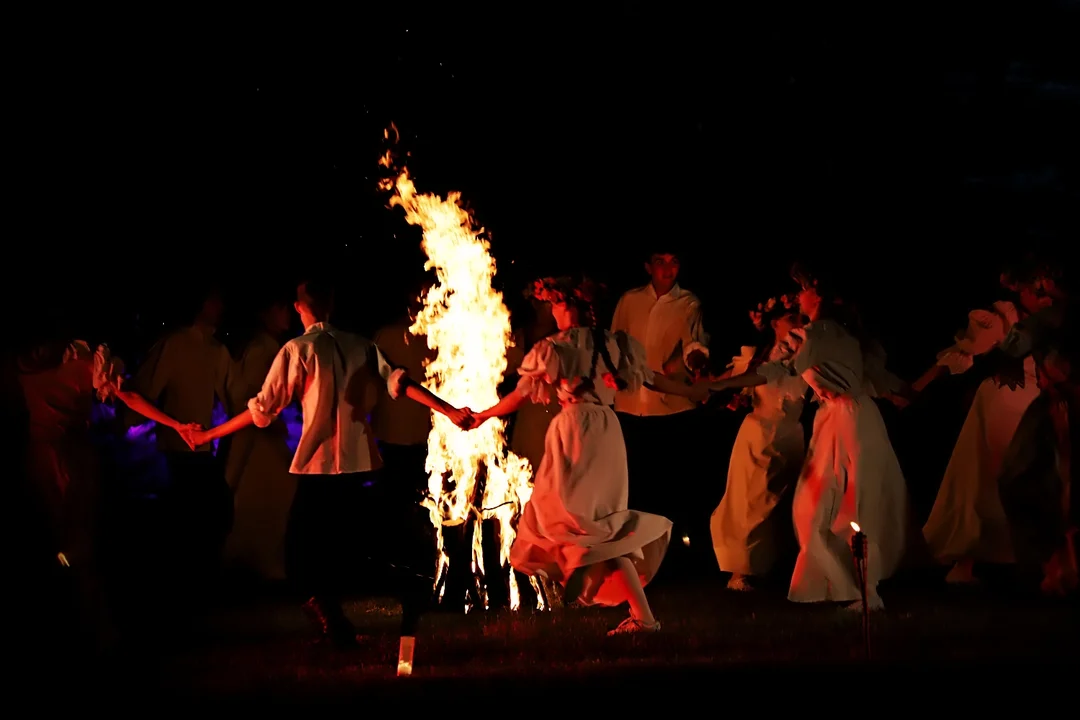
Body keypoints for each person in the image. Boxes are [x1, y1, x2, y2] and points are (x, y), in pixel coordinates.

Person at [185, 279, 472, 647]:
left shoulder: (297, 349)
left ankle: (340, 622)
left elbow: (262, 409)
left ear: (298, 307)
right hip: (360, 464)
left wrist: (208, 436)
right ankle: (360, 612)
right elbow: (399, 382)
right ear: (331, 303)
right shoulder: (360, 344)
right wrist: (448, 411)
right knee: (349, 548)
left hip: (319, 467)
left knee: (299, 556)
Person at [466, 275, 709, 635]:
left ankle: (599, 593)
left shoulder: (555, 346)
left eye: (554, 304)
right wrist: (696, 390)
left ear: (565, 305)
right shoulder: (615, 343)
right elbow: (654, 380)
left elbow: (520, 395)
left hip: (575, 430)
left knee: (570, 520)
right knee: (595, 526)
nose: (552, 310)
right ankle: (619, 604)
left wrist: (483, 416)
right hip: (608, 431)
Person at [706, 263, 909, 610]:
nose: (798, 295)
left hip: (847, 422)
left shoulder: (816, 335)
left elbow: (777, 369)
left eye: (804, 288)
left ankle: (863, 590)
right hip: (847, 419)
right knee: (827, 506)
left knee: (843, 505)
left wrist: (720, 385)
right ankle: (850, 586)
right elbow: (882, 380)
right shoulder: (843, 334)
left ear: (820, 295)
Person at [15, 333, 199, 654]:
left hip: (53, 459)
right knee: (71, 541)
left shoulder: (33, 364)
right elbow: (128, 396)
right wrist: (175, 425)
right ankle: (90, 629)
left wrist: (175, 425)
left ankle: (84, 629)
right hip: (60, 460)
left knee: (66, 540)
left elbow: (125, 395)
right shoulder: (82, 364)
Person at [915, 263, 1053, 584]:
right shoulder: (1004, 315)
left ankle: (1034, 559)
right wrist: (920, 386)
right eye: (1038, 290)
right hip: (1004, 401)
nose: (1044, 298)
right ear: (1022, 287)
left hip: (1036, 404)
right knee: (986, 479)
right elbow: (965, 351)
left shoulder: (1053, 318)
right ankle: (967, 561)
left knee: (1036, 478)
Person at [610, 247, 711, 565]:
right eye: (660, 262)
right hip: (630, 404)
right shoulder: (630, 300)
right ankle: (637, 556)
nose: (668, 269)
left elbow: (695, 344)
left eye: (674, 262)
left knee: (674, 484)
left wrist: (693, 362)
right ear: (648, 266)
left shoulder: (688, 302)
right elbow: (615, 341)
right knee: (636, 484)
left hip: (670, 406)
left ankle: (679, 557)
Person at [710, 294, 807, 591]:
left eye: (800, 318)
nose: (798, 324)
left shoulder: (805, 353)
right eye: (791, 319)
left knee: (785, 500)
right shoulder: (763, 357)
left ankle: (782, 564)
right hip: (759, 434)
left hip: (789, 433)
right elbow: (737, 379)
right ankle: (744, 568)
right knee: (751, 501)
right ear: (775, 324)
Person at [221, 293, 297, 582]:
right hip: (258, 441)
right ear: (265, 313)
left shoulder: (264, 346)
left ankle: (256, 563)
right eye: (280, 306)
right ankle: (260, 564)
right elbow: (254, 400)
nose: (287, 312)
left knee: (264, 503)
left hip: (261, 439)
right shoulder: (265, 348)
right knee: (267, 503)